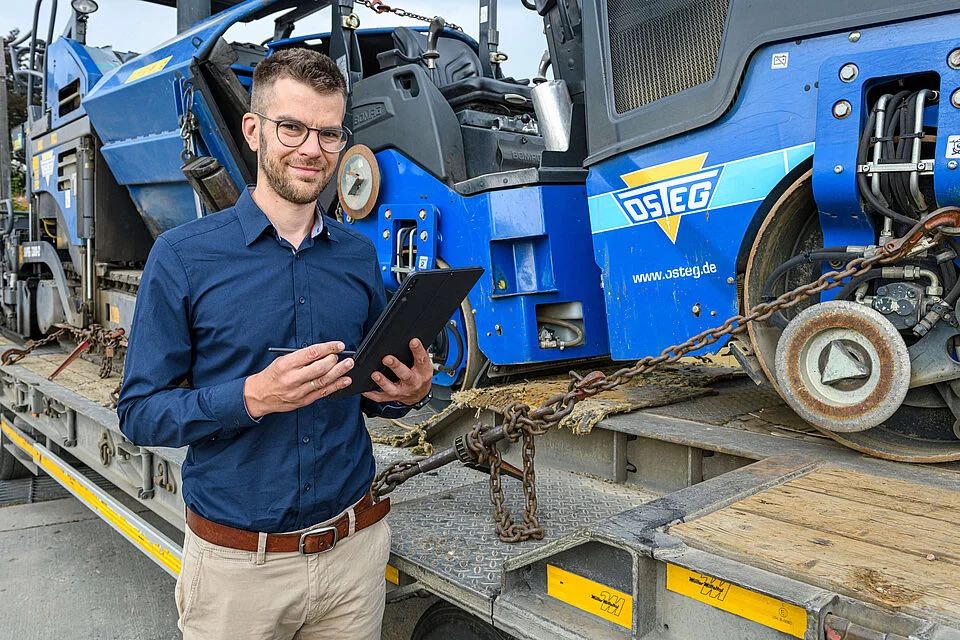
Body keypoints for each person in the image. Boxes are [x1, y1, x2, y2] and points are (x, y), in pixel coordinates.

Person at [117, 48, 433, 640]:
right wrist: (253, 397)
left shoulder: (357, 255)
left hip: (353, 554)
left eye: (329, 133)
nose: (312, 149)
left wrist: (404, 393)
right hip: (240, 571)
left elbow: (359, 390)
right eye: (293, 127)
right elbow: (139, 414)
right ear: (254, 129)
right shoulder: (184, 257)